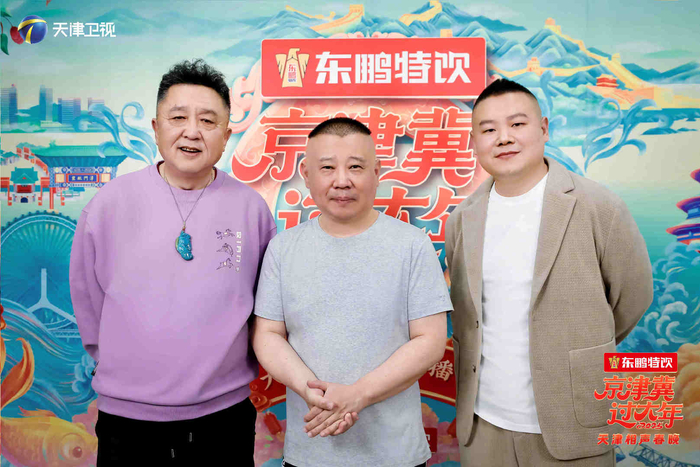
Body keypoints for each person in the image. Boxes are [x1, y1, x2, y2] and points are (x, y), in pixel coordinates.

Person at [69, 59, 276, 466]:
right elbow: (89, 301)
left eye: (208, 121)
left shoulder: (251, 209)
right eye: (178, 117)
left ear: (227, 135)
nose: (192, 131)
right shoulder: (109, 204)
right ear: (156, 127)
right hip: (127, 419)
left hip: (224, 417)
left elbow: (265, 307)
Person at [445, 78, 653, 466]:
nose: (504, 138)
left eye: (517, 124)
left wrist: (580, 345)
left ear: (543, 128)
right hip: (483, 422)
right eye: (488, 130)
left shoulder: (598, 206)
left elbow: (633, 297)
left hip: (573, 421)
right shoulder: (462, 219)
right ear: (474, 142)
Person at [252, 117, 452, 467]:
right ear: (306, 173)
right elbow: (267, 334)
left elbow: (430, 341)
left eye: (356, 167)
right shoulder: (283, 249)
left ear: (376, 172)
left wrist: (357, 395)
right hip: (310, 452)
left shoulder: (412, 245)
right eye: (327, 167)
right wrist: (310, 390)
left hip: (396, 454)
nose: (342, 180)